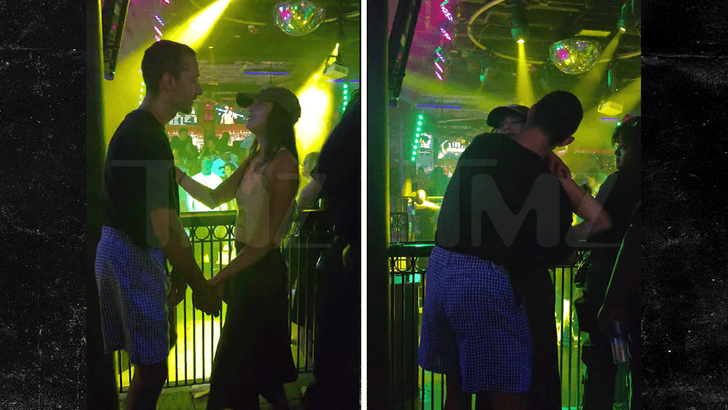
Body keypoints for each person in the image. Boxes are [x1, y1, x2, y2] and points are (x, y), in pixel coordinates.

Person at [418, 91, 611, 410]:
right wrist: (563, 179)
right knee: (505, 392)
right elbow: (594, 226)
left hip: (441, 269)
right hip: (484, 280)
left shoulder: (481, 145)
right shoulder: (546, 184)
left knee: (456, 387)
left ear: (532, 112)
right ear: (566, 140)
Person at [94, 40, 221, 410]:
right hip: (132, 256)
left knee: (151, 362)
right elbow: (163, 223)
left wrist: (177, 269)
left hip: (124, 251)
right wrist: (201, 287)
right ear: (169, 81)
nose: (198, 89)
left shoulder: (142, 130)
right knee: (152, 368)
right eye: (193, 79)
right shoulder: (147, 136)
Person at [175, 85, 301, 410]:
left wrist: (216, 279)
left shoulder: (284, 164)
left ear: (278, 115)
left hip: (263, 274)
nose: (250, 109)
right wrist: (176, 175)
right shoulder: (254, 159)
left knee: (236, 365)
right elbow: (213, 197)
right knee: (257, 369)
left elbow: (264, 243)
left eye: (259, 105)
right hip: (249, 270)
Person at [574, 115, 641, 410]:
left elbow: (595, 227)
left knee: (602, 363)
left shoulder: (618, 182)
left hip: (608, 294)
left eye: (622, 147)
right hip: (632, 296)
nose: (617, 153)